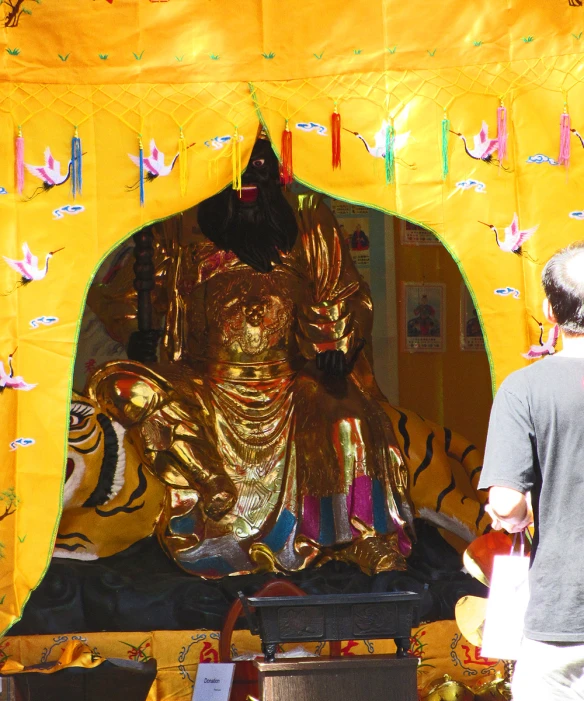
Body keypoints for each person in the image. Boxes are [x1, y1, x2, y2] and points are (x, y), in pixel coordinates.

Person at [86, 134, 414, 578]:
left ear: (279, 173)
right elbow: (131, 298)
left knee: (348, 421)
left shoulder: (307, 219)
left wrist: (334, 347)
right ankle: (208, 489)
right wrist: (141, 336)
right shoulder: (179, 222)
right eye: (235, 168)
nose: (247, 180)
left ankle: (361, 536)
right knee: (124, 387)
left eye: (259, 166)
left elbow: (341, 293)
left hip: (291, 379)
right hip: (205, 381)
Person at [478, 241, 584, 700]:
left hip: (563, 614)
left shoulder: (523, 390)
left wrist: (512, 514)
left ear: (549, 309)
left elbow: (507, 502)